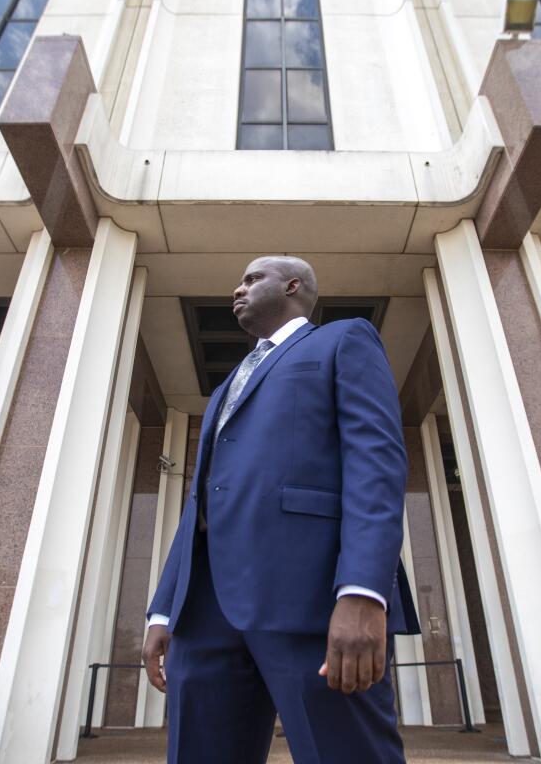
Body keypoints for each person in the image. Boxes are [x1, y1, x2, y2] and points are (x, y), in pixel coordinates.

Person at [141, 256, 419, 764]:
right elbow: (201, 501)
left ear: (293, 286)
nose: (236, 289)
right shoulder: (228, 386)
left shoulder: (342, 340)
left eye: (251, 279)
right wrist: (165, 607)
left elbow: (375, 463)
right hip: (205, 613)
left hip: (310, 601)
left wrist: (363, 591)